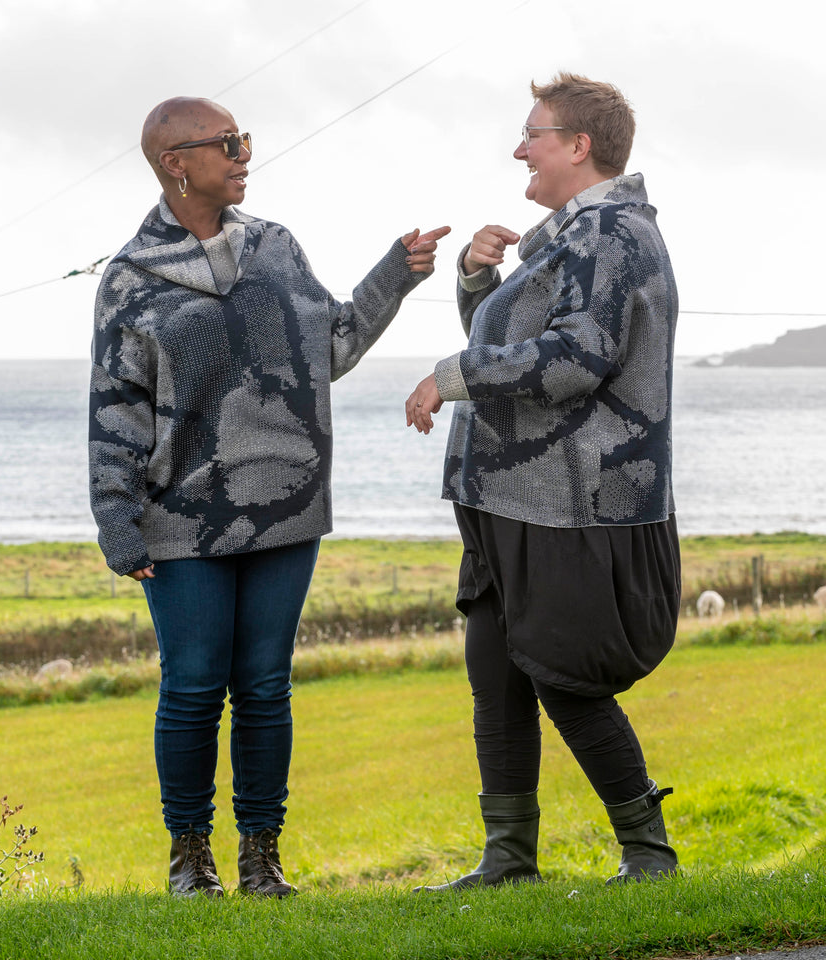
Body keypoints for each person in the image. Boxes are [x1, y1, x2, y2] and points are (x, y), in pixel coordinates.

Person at [89, 96, 449, 898]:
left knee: (264, 684)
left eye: (243, 138)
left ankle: (261, 858)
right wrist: (115, 517)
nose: (245, 153)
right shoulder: (129, 280)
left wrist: (394, 273)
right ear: (175, 163)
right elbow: (115, 405)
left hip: (287, 506)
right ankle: (190, 859)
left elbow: (332, 347)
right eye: (228, 143)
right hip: (179, 517)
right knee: (191, 684)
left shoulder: (278, 248)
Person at [405, 73, 680, 888]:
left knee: (563, 675)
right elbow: (523, 349)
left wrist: (453, 373)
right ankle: (509, 859)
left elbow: (576, 360)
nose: (519, 147)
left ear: (578, 146)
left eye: (532, 133)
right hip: (508, 495)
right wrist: (475, 283)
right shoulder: (565, 236)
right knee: (496, 674)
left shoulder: (611, 235)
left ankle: (649, 853)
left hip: (570, 502)